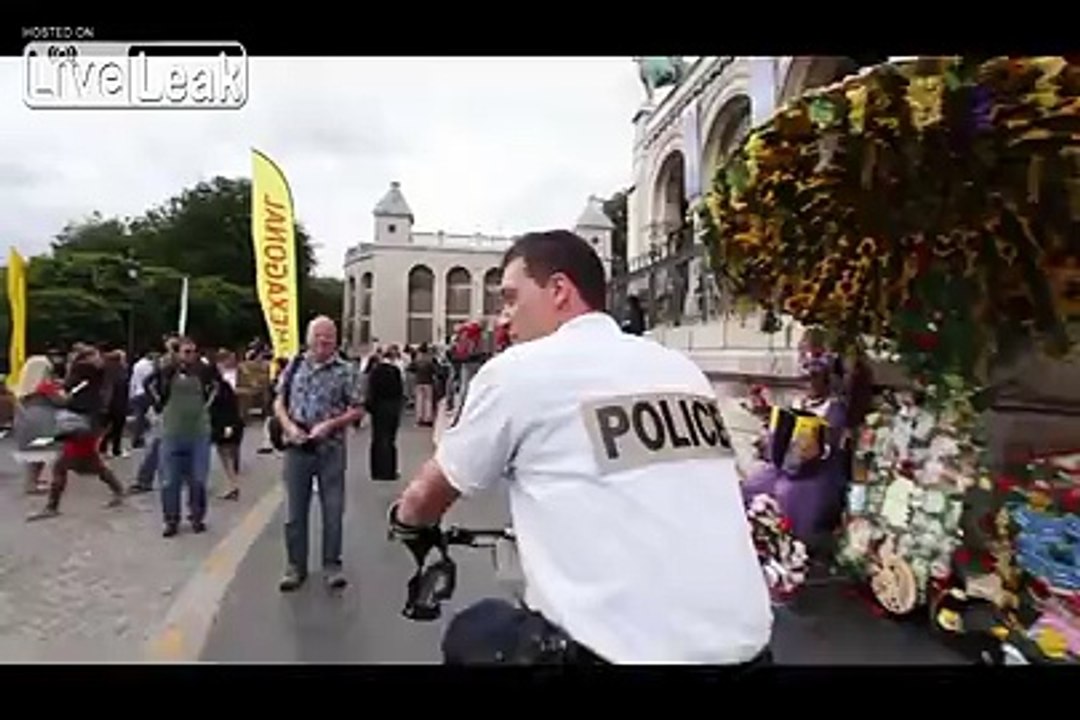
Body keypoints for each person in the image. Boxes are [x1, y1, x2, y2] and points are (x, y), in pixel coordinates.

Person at [387, 230, 773, 665]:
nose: (503, 318)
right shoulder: (681, 369)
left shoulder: (518, 371)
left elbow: (428, 495)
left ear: (558, 290)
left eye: (512, 298)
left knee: (473, 633)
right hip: (747, 645)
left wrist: (406, 522)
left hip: (621, 656)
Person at [273, 316, 364, 592]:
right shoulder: (294, 366)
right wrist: (288, 427)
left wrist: (331, 425)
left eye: (329, 336)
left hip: (331, 449)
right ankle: (295, 567)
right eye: (319, 336)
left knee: (333, 510)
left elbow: (358, 408)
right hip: (297, 447)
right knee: (294, 511)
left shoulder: (347, 371)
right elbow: (278, 401)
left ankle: (332, 565)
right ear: (308, 338)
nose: (324, 341)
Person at [28, 346, 126, 521]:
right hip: (84, 423)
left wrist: (50, 391)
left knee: (68, 464)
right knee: (87, 463)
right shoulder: (93, 375)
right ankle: (118, 490)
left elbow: (68, 396)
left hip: (82, 424)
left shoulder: (85, 372)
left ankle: (52, 507)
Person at [145, 337, 218, 537]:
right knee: (169, 480)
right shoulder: (167, 371)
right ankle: (171, 519)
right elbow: (148, 384)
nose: (191, 356)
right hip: (172, 432)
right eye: (186, 351)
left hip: (198, 432)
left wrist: (207, 407)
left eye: (193, 351)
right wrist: (158, 405)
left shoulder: (203, 370)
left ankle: (196, 516)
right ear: (177, 353)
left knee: (198, 479)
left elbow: (216, 387)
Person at [11, 355, 64, 495]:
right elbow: (61, 401)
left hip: (25, 420)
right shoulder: (45, 386)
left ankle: (32, 481)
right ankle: (32, 484)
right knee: (42, 453)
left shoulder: (24, 386)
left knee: (34, 454)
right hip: (42, 420)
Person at [209, 350, 244, 500]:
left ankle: (232, 485)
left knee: (225, 455)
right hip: (228, 424)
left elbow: (229, 408)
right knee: (226, 456)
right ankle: (232, 485)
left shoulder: (220, 388)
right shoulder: (223, 386)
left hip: (225, 424)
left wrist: (228, 426)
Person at [365, 350, 405, 480]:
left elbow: (371, 391)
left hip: (379, 407)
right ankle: (389, 471)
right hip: (392, 407)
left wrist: (370, 407)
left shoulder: (375, 371)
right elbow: (400, 390)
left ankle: (377, 471)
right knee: (390, 440)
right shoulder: (395, 371)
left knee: (377, 439)